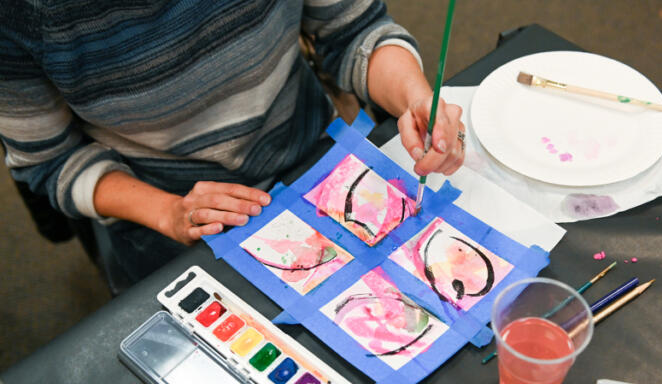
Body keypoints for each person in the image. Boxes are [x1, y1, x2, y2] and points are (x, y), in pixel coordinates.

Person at [0, 1, 465, 284]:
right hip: (171, 227)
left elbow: (353, 29)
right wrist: (168, 212)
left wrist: (414, 96)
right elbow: (50, 161)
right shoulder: (19, 16)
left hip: (316, 164)